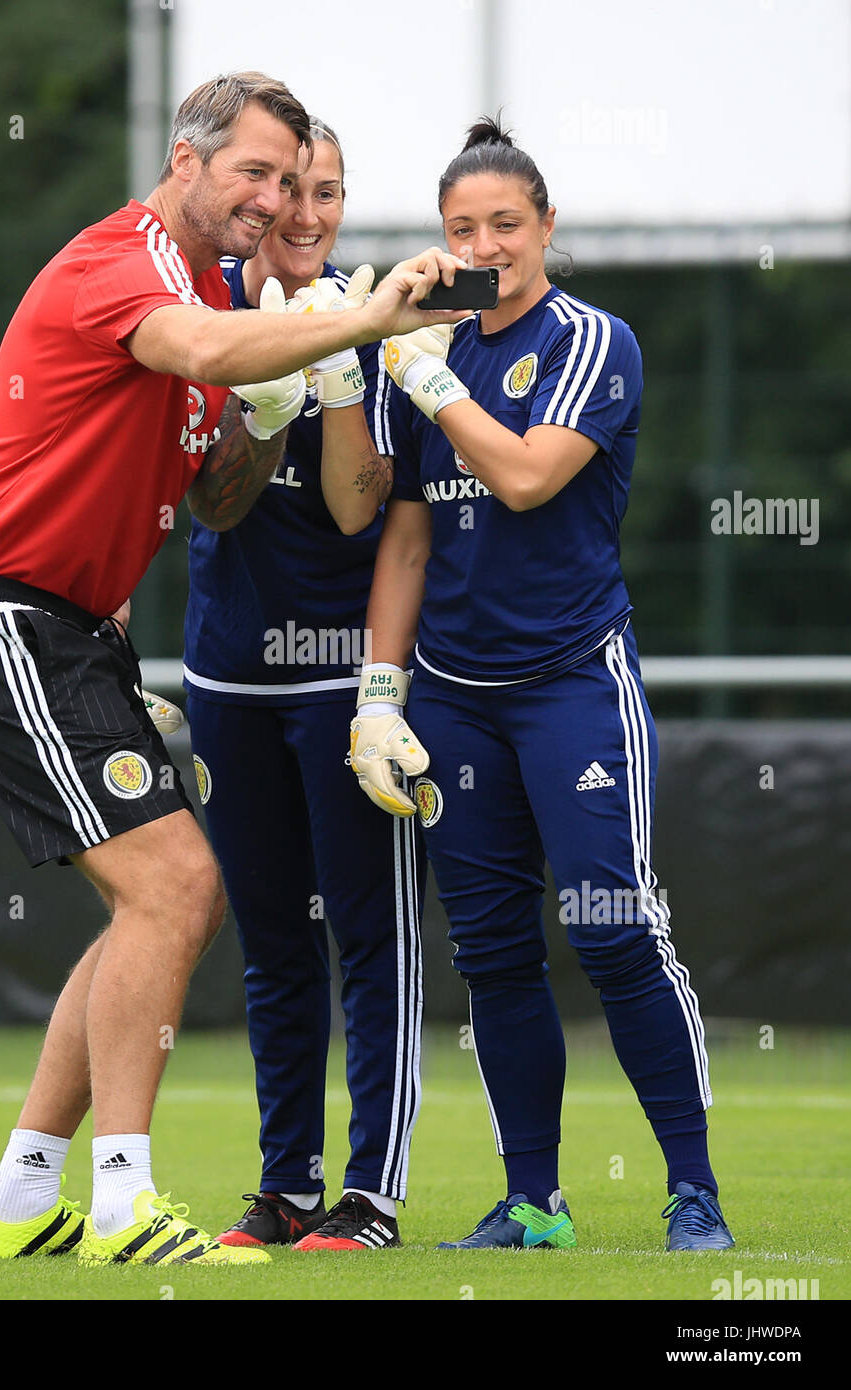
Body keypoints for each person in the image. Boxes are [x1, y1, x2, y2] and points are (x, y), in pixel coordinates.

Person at [0, 70, 467, 1271]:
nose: (272, 200)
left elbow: (215, 498)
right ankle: (123, 1207)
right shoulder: (132, 259)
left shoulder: (207, 289)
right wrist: (360, 324)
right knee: (177, 891)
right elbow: (201, 341)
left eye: (293, 179)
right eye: (254, 172)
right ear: (186, 160)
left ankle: (22, 1199)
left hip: (64, 627)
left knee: (149, 905)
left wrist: (272, 410)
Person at [350, 115, 735, 1252]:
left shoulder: (589, 339)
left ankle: (693, 1190)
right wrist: (379, 692)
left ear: (546, 226)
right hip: (455, 694)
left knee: (614, 929)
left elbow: (522, 477)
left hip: (571, 678)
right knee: (493, 951)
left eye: (505, 223)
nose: (487, 244)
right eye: (463, 227)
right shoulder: (425, 349)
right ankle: (535, 1200)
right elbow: (407, 541)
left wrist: (427, 385)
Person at [183, 121, 425, 1254]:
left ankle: (369, 1192)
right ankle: (286, 1182)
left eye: (327, 191)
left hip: (339, 678)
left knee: (367, 935)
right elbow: (213, 500)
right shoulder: (200, 309)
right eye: (288, 191)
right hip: (230, 669)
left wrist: (327, 373)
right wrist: (259, 388)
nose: (309, 214)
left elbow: (351, 508)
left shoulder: (366, 318)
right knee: (273, 938)